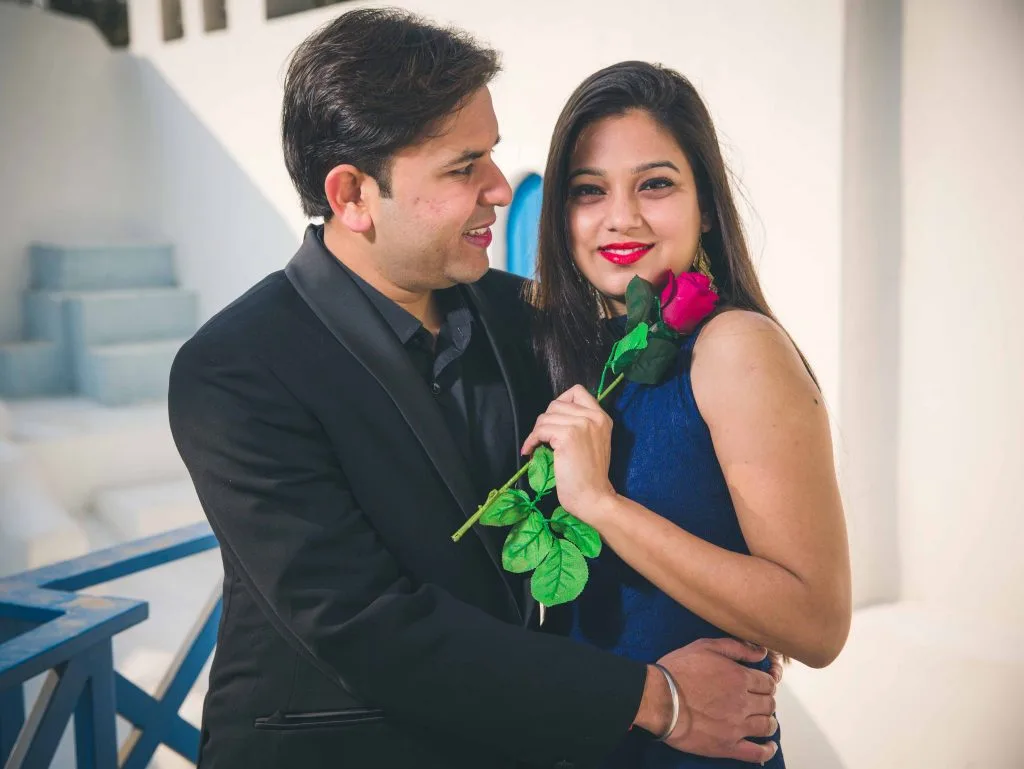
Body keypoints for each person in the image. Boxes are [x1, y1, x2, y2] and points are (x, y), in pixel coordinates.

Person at [168, 11, 781, 769]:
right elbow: (365, 626)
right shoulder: (235, 369)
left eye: (490, 154)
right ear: (353, 194)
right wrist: (658, 698)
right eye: (464, 168)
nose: (499, 188)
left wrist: (736, 619)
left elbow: (646, 477)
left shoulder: (526, 318)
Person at [523, 61, 853, 768]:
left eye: (656, 184)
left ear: (705, 204)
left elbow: (818, 624)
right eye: (589, 190)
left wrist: (601, 504)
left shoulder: (733, 347)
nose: (622, 216)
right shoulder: (565, 354)